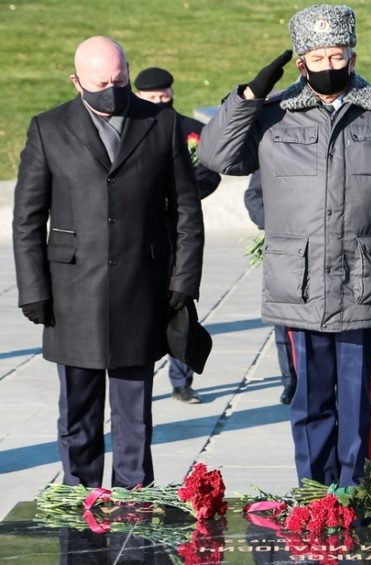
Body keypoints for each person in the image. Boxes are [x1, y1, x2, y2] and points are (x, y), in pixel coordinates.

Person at [199, 4, 371, 487]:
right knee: (310, 400)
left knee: (356, 398)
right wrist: (248, 96)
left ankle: (354, 492)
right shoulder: (273, 115)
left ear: (353, 55)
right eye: (319, 57)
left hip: (362, 279)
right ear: (302, 62)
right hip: (299, 282)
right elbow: (216, 155)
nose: (330, 66)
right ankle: (315, 494)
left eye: (338, 55)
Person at [12, 36, 204, 488]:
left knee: (134, 410)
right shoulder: (48, 128)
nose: (112, 91)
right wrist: (33, 289)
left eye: (120, 80)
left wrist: (183, 279)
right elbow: (27, 219)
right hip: (73, 292)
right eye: (101, 83)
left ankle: (134, 496)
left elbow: (186, 209)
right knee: (78, 410)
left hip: (142, 285)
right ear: (76, 81)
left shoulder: (161, 123)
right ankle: (79, 495)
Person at [135, 66, 221, 404]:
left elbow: (210, 172)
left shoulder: (191, 130)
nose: (159, 101)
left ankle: (181, 382)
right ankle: (137, 383)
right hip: (137, 235)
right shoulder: (128, 131)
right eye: (151, 97)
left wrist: (180, 194)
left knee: (180, 309)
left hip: (178, 235)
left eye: (164, 95)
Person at [244, 170, 298, 405]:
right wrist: (275, 225)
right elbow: (253, 196)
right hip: (283, 248)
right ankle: (290, 380)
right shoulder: (273, 149)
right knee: (283, 319)